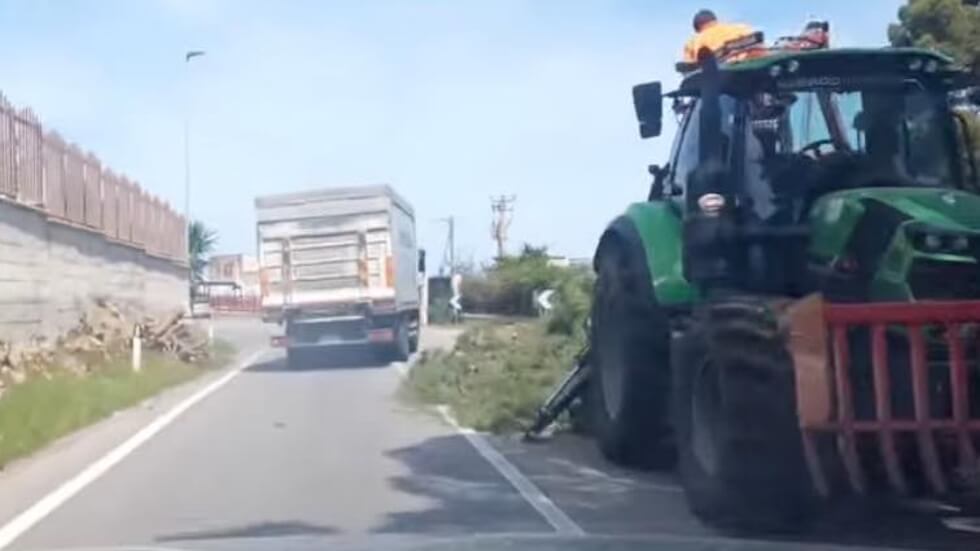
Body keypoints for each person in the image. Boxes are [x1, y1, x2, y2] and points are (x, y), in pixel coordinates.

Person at [682, 9, 756, 64]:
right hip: (752, 63)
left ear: (697, 29)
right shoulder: (740, 27)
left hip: (721, 73)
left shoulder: (693, 42)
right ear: (715, 20)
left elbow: (689, 66)